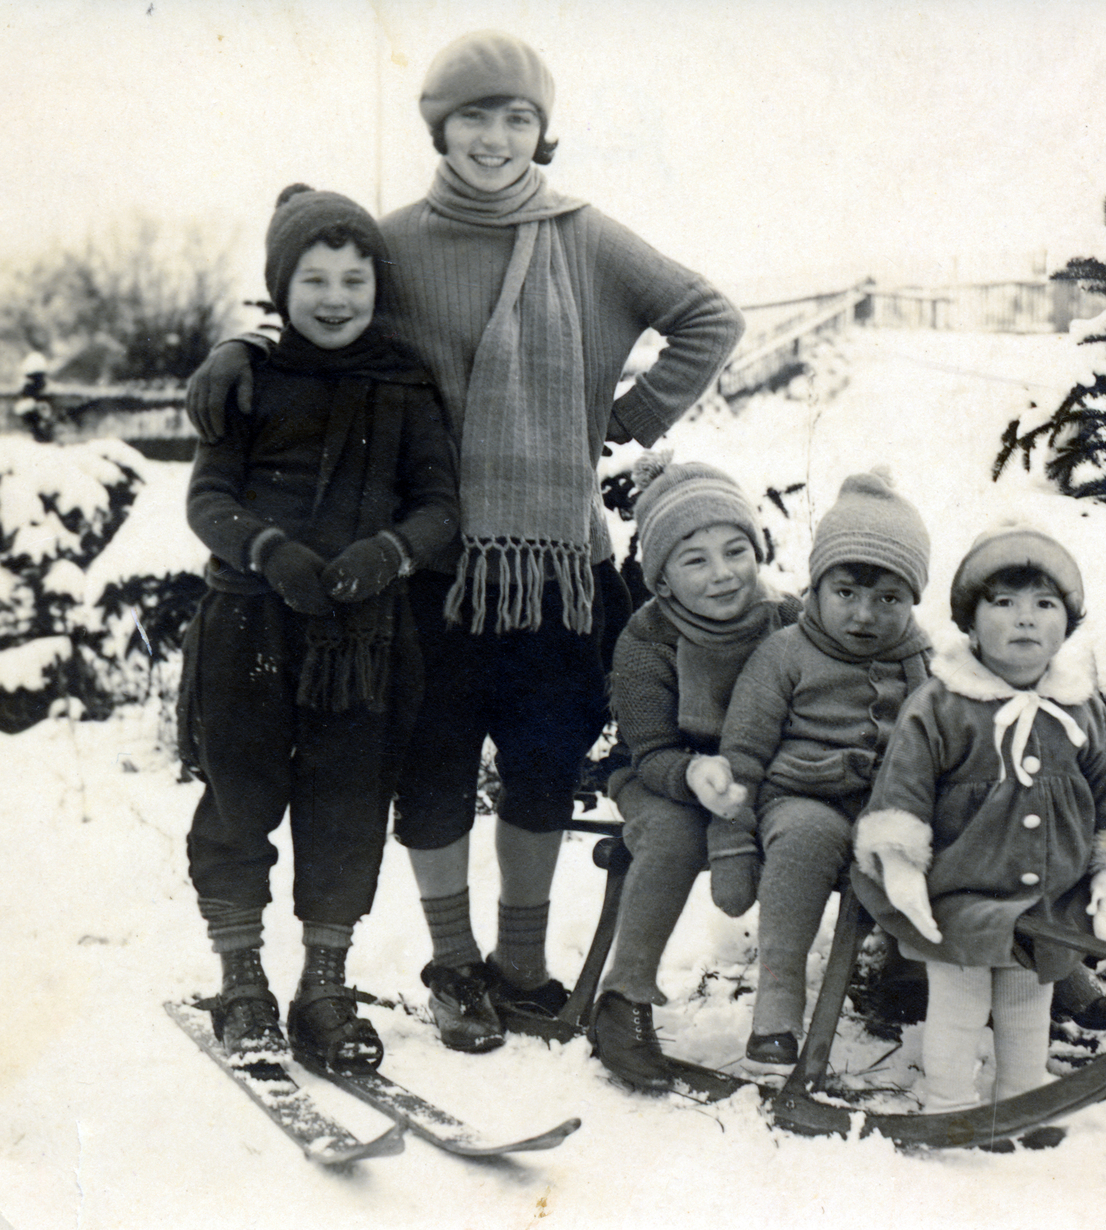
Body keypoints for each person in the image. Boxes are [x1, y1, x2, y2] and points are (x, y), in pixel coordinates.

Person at [185, 31, 745, 1054]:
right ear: (439, 127)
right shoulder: (394, 244)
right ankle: (452, 965)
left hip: (557, 571)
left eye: (516, 118)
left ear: (542, 130)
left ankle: (520, 967)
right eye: (474, 118)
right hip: (427, 566)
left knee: (540, 765)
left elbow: (707, 316)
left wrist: (631, 416)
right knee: (433, 772)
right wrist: (240, 345)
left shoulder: (586, 238)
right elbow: (317, 311)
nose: (495, 139)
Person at [180, 185, 458, 1074]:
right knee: (240, 798)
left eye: (354, 279)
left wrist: (391, 552)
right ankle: (243, 980)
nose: (336, 298)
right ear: (280, 285)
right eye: (314, 279)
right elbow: (207, 497)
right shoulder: (248, 378)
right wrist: (267, 550)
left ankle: (324, 989)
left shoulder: (404, 384)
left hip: (361, 642)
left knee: (347, 807)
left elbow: (441, 506)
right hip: (250, 627)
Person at [851, 526, 1106, 1111]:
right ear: (971, 622)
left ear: (1066, 625)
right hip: (959, 901)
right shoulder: (941, 705)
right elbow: (902, 793)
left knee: (1028, 1007)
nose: (1026, 619)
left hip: (1047, 904)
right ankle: (947, 1101)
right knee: (961, 1007)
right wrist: (899, 866)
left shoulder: (1080, 707)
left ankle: (1023, 1098)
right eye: (1004, 603)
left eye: (1044, 605)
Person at [698, 471, 934, 1065]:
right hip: (804, 798)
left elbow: (953, 742)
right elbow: (741, 757)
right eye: (847, 592)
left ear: (912, 601)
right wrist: (730, 842)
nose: (864, 615)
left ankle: (919, 970)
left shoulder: (924, 661)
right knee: (805, 840)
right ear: (817, 586)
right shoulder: (784, 655)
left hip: (892, 805)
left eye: (889, 599)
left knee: (958, 827)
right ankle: (778, 1003)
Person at [587, 452, 800, 1091]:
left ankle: (910, 968)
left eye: (735, 551)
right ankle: (625, 997)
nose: (723, 575)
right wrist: (691, 775)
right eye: (695, 560)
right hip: (665, 772)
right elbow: (649, 749)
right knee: (675, 833)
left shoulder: (789, 620)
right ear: (662, 580)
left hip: (772, 774)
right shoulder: (648, 639)